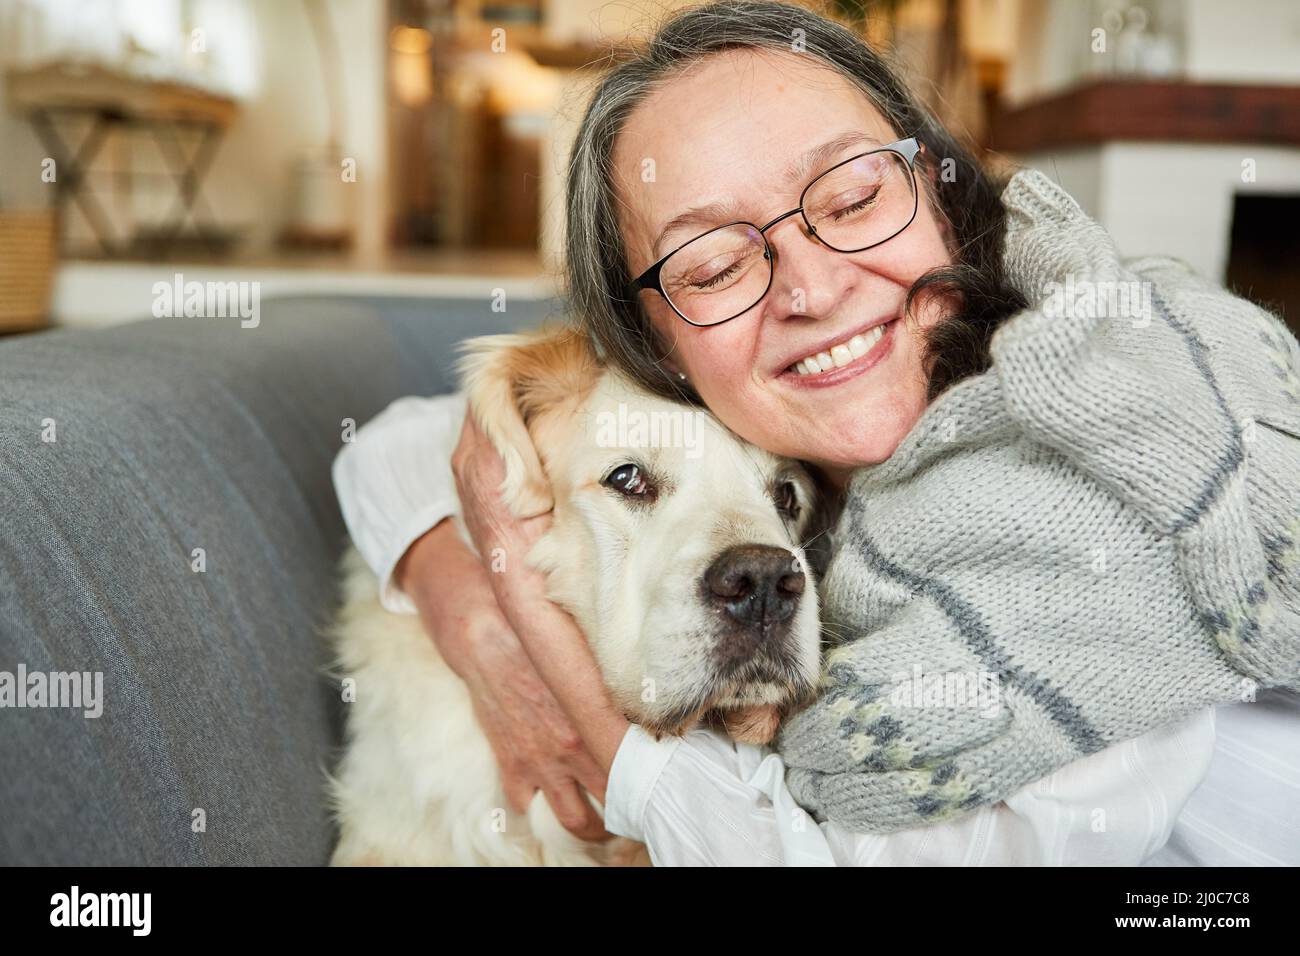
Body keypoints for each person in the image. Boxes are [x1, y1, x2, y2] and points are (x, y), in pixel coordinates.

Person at [334, 1, 1300, 864]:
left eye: (851, 199)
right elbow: (402, 442)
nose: (813, 286)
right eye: (713, 265)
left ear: (939, 190)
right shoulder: (797, 451)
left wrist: (525, 617)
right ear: (651, 347)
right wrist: (454, 580)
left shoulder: (1110, 476)